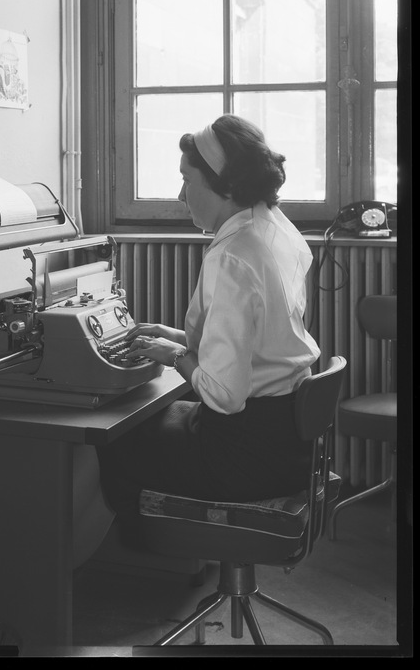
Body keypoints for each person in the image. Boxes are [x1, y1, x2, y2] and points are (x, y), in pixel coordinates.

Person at [97, 114, 321, 545]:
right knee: (150, 422)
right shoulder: (275, 228)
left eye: (187, 180)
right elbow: (261, 340)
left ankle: (152, 556)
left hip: (242, 458)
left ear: (224, 185)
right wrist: (174, 336)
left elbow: (223, 394)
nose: (182, 195)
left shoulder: (233, 255)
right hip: (288, 442)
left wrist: (173, 355)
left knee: (115, 437)